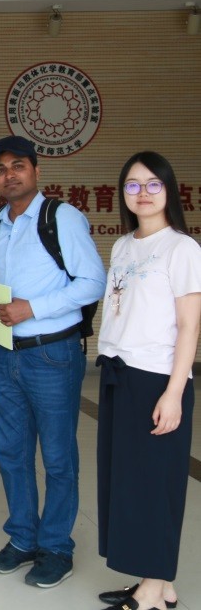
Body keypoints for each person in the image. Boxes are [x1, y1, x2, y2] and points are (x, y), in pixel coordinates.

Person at [0, 135, 105, 589]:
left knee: (58, 456)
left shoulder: (61, 217)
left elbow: (92, 281)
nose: (9, 175)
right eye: (0, 169)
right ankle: (23, 538)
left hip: (53, 354)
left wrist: (32, 308)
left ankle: (56, 547)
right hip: (4, 354)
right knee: (10, 452)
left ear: (35, 170)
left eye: (18, 166)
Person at [94, 152, 200, 610]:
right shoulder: (123, 245)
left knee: (157, 484)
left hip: (157, 378)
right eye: (133, 184)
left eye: (153, 184)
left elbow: (190, 326)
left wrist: (174, 393)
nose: (142, 193)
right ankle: (156, 580)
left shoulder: (182, 248)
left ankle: (154, 589)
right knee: (130, 483)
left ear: (169, 191)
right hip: (120, 374)